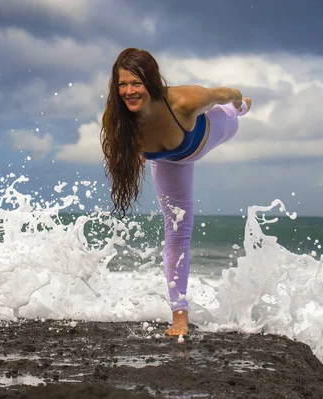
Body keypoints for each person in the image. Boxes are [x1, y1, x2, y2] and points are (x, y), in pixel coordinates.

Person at [100, 48, 251, 338]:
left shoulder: (185, 100)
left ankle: (243, 108)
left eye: (136, 83)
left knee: (233, 113)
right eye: (122, 84)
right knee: (178, 231)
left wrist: (236, 97)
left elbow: (222, 92)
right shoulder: (119, 120)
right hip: (170, 161)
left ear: (152, 81)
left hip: (212, 131)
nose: (129, 91)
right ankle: (179, 315)